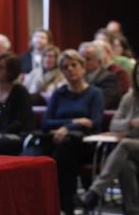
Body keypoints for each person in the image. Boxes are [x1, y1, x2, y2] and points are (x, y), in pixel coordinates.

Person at [43, 49, 104, 215]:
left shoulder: (94, 93)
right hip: (60, 143)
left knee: (67, 145)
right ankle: (67, 208)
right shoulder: (59, 93)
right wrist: (74, 122)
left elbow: (94, 123)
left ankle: (56, 200)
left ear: (83, 68)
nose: (69, 69)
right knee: (67, 156)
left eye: (74, 65)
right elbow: (46, 122)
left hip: (87, 145)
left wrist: (66, 129)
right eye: (65, 67)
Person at [77, 60, 139, 215]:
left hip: (129, 144)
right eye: (138, 73)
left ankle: (94, 192)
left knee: (124, 144)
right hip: (133, 149)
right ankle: (133, 211)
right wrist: (131, 122)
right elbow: (114, 125)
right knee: (126, 166)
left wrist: (127, 129)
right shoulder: (130, 97)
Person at [0, 53, 34, 155]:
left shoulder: (20, 91)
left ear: (11, 71)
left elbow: (20, 122)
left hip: (17, 135)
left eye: (0, 67)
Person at [79, 41, 121, 109]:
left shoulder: (109, 78)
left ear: (99, 61)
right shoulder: (79, 78)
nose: (83, 63)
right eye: (81, 59)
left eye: (88, 59)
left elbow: (101, 103)